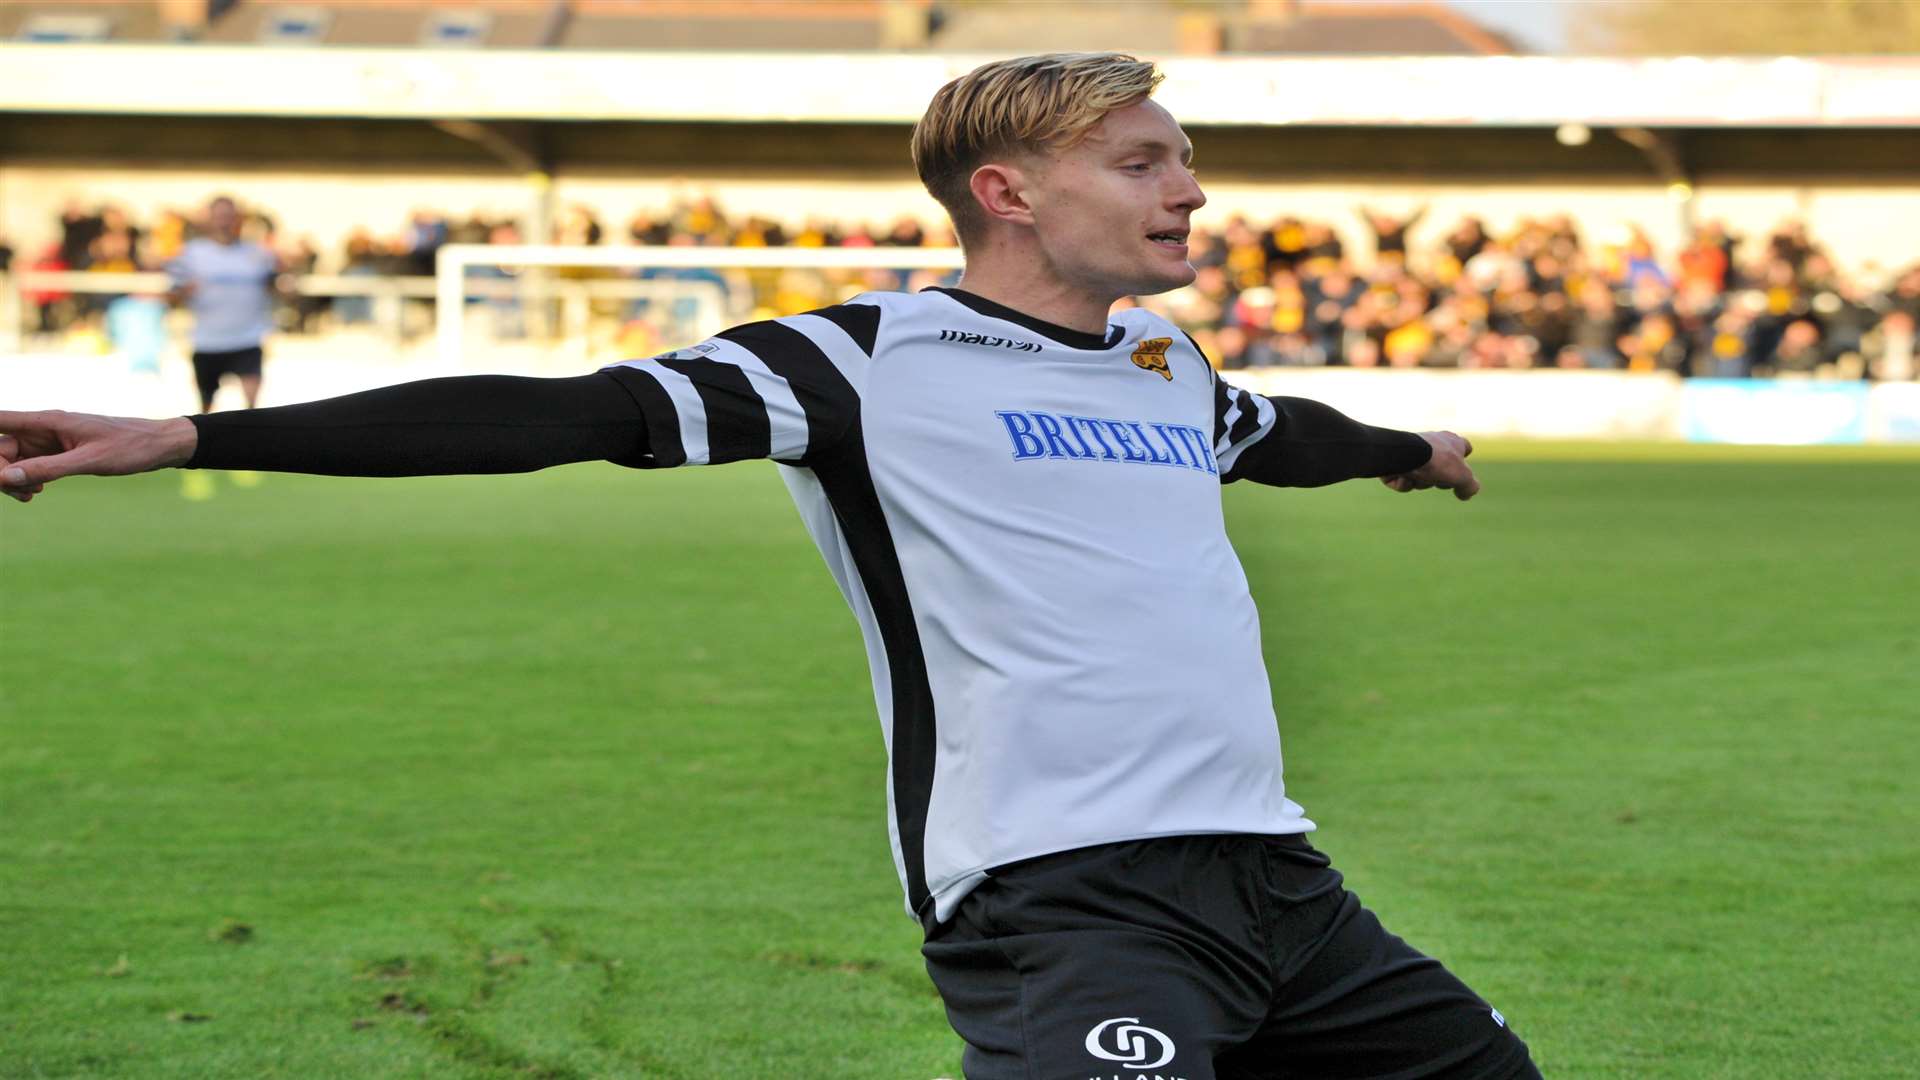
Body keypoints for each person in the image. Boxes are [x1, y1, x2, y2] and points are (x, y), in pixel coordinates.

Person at [0, 54, 1533, 1079]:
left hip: (1280, 878)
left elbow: (1282, 430)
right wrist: (189, 439)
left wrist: (1411, 447)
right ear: (1006, 192)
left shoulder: (1163, 363)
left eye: (1185, 160)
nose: (1189, 190)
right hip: (1067, 897)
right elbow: (561, 414)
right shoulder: (864, 358)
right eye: (1144, 164)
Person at [164, 195, 289, 497]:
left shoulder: (257, 254)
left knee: (251, 403)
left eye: (230, 215)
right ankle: (200, 463)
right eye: (219, 215)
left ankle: (247, 459)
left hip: (247, 337)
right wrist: (183, 293)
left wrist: (287, 284)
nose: (225, 221)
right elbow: (171, 295)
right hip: (209, 340)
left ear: (239, 219)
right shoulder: (191, 254)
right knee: (206, 408)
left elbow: (278, 285)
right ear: (209, 219)